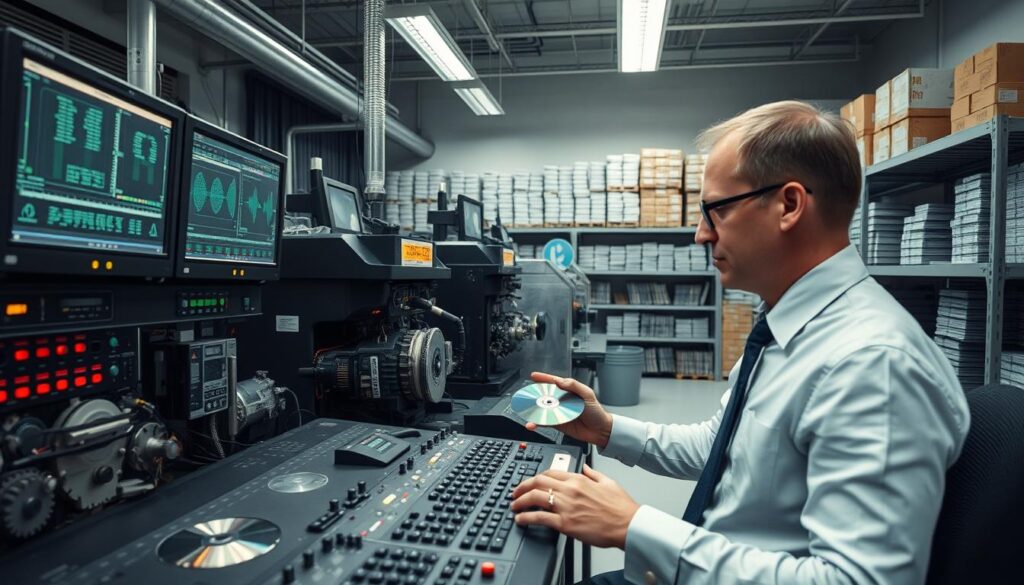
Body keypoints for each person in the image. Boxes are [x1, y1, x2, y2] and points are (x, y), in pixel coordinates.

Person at [510, 101, 970, 585]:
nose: (700, 234)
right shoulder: (792, 326)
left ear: (789, 205)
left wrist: (635, 526)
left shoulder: (873, 364)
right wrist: (607, 429)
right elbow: (722, 449)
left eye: (717, 210)